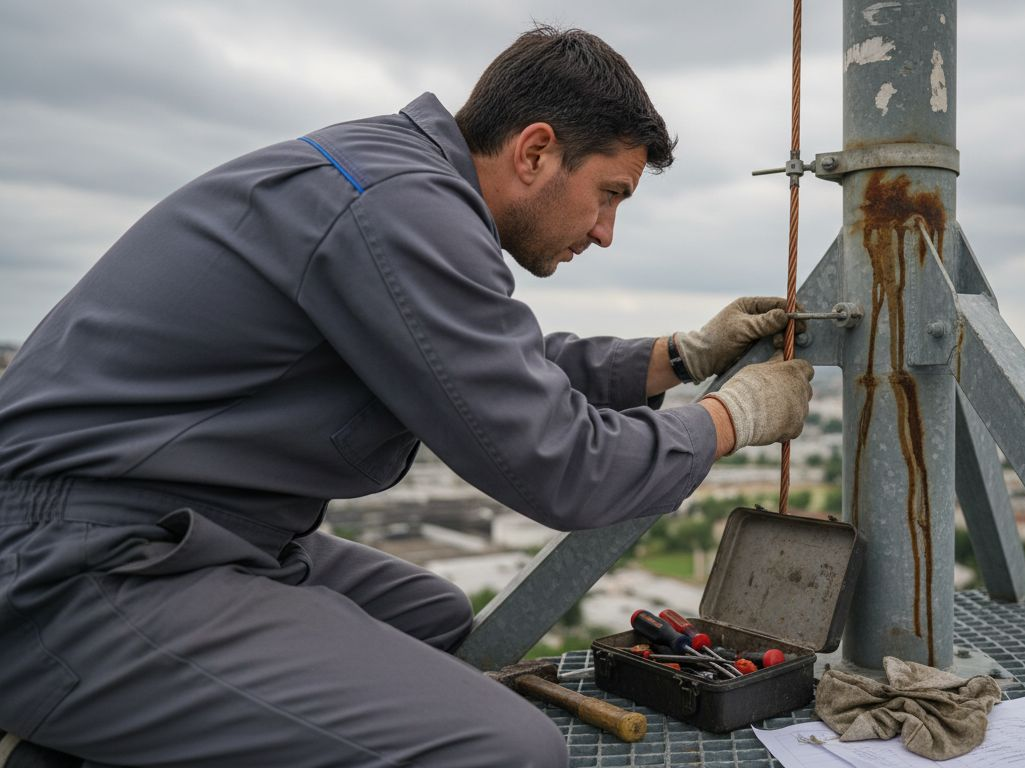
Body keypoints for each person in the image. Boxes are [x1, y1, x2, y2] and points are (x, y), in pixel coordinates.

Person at [0, 25, 813, 768]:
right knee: (506, 751)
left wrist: (675, 358)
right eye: (610, 194)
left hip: (182, 526)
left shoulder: (400, 183)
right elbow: (564, 466)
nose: (605, 231)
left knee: (433, 613)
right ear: (535, 152)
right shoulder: (398, 208)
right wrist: (730, 418)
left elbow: (495, 363)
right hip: (75, 567)